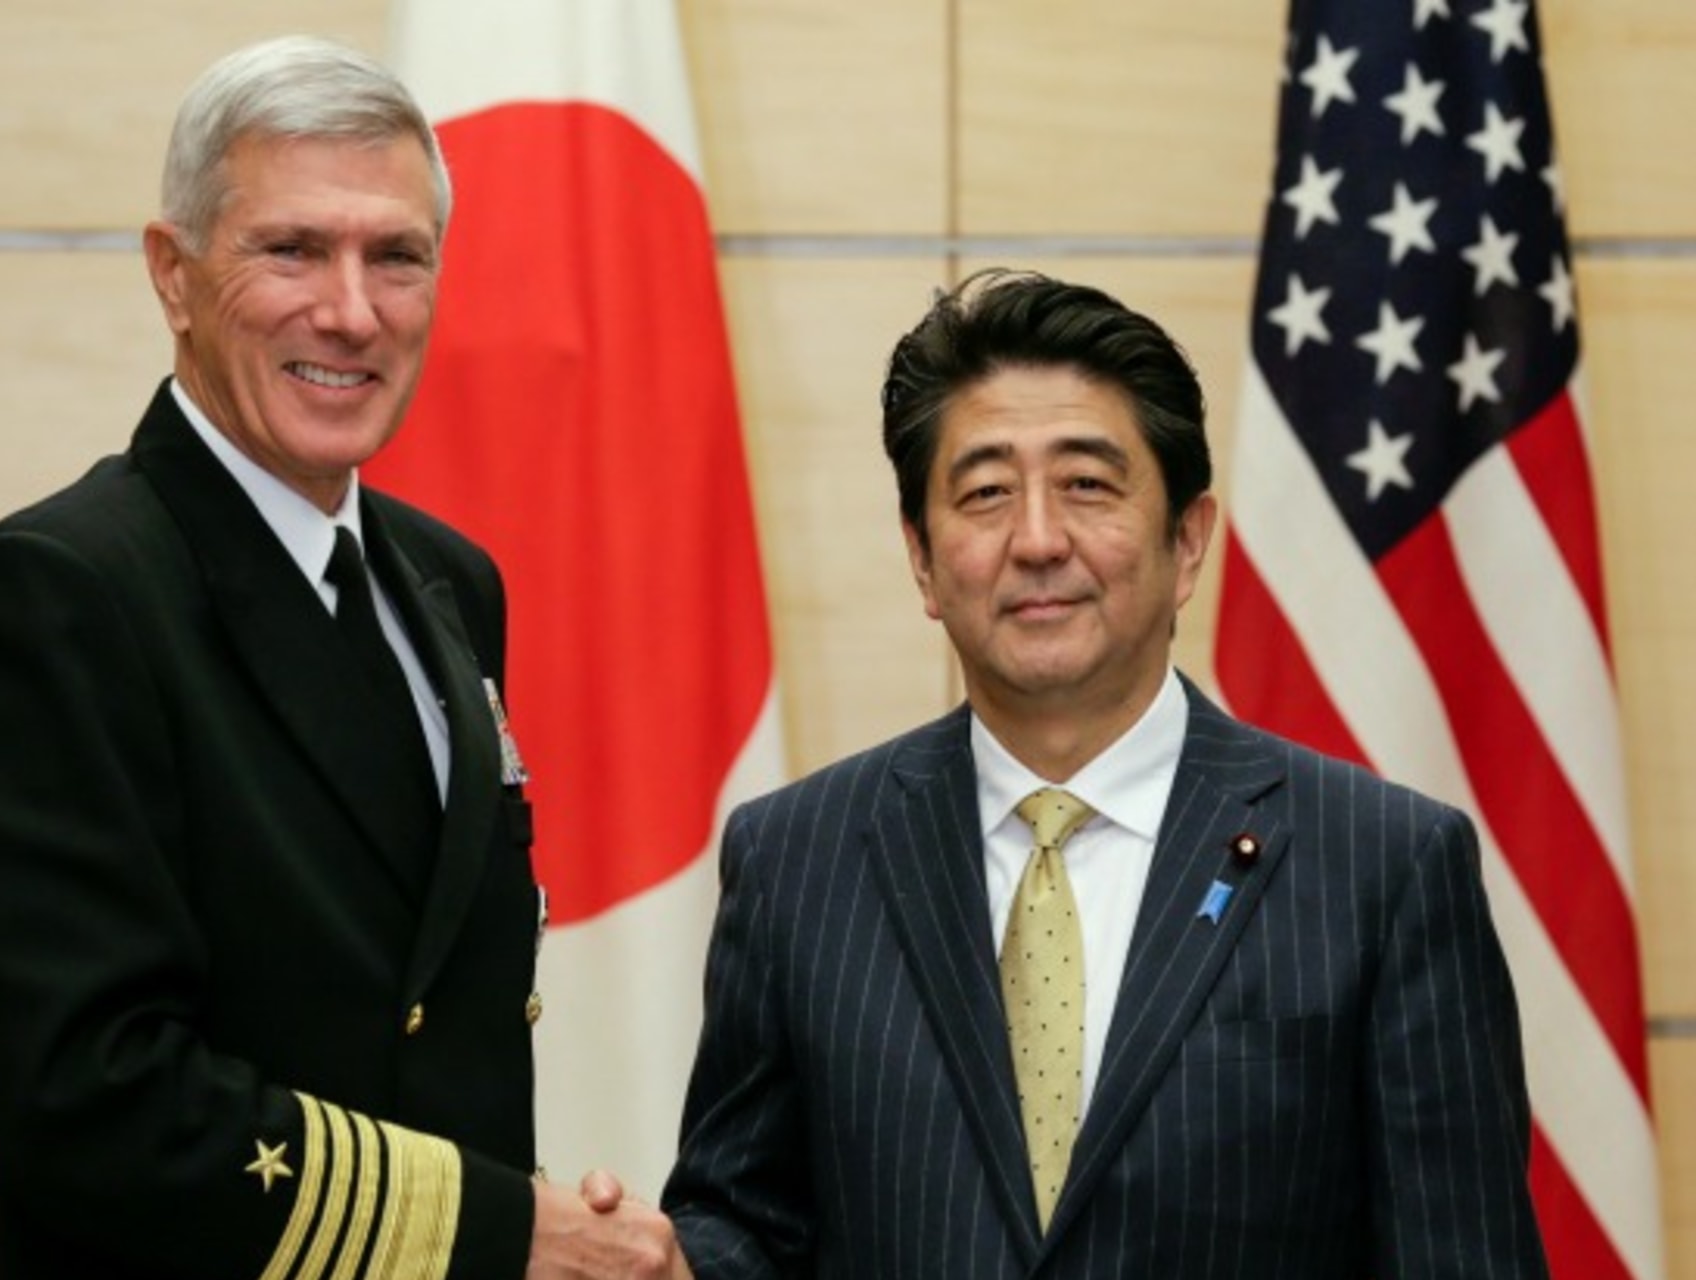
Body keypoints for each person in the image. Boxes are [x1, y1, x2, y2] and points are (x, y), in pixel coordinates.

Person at [0, 35, 684, 1280]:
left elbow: (431, 1022)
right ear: (173, 273)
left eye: (396, 256)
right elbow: (88, 1102)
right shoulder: (62, 595)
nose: (351, 310)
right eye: (291, 250)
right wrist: (498, 1229)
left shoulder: (448, 581)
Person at [661, 269, 1548, 1278]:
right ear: (920, 557)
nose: (1037, 540)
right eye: (986, 492)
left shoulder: (1384, 866)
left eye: (1087, 483)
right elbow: (749, 1223)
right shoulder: (797, 860)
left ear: (1187, 540)